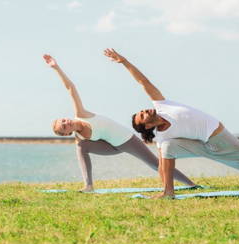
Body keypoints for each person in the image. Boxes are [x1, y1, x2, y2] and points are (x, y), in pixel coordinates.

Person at [104, 48, 239, 199]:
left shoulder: (162, 104)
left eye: (142, 110)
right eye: (142, 116)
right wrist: (163, 183)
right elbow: (163, 164)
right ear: (147, 127)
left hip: (219, 138)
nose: (145, 111)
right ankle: (168, 193)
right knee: (166, 148)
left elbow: (143, 81)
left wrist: (124, 62)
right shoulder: (162, 136)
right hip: (202, 146)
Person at [43, 54, 197, 192]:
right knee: (81, 147)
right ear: (66, 133)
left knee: (155, 165)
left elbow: (71, 88)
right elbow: (87, 144)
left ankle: (191, 185)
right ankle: (88, 186)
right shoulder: (79, 138)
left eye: (63, 120)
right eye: (64, 126)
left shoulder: (81, 114)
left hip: (127, 140)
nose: (66, 122)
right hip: (111, 147)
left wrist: (56, 67)